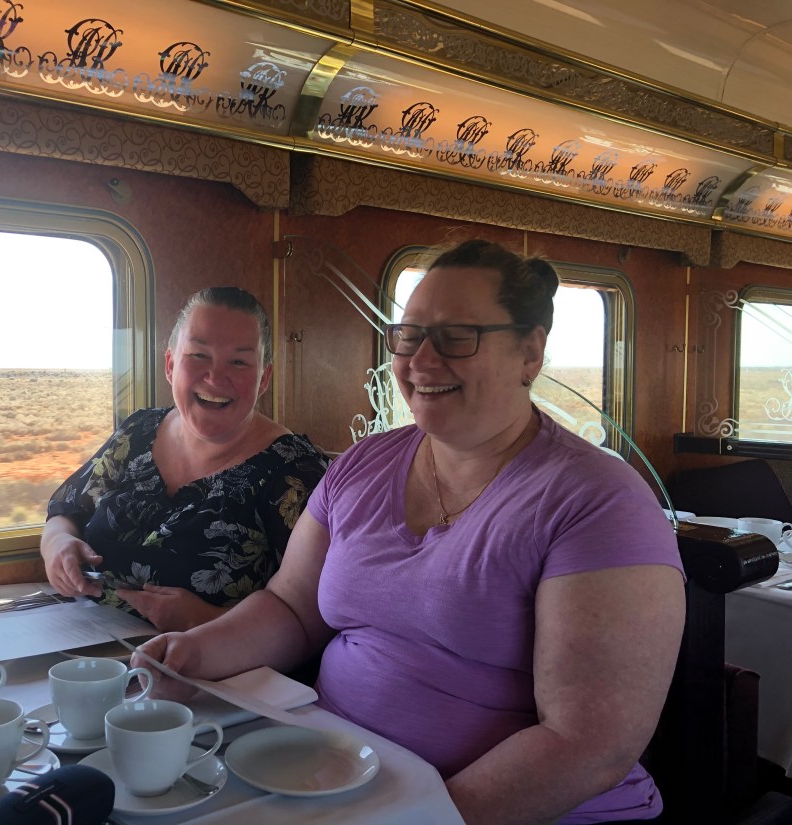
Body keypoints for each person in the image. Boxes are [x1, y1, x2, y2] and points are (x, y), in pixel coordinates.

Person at [135, 240, 686, 824]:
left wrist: (415, 815)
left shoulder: (600, 502)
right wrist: (196, 653)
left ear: (530, 351)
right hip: (331, 775)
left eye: (456, 337)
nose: (421, 360)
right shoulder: (362, 465)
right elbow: (291, 607)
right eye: (409, 335)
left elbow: (587, 746)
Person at [41, 286, 329, 633]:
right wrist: (57, 545)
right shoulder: (138, 431)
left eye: (238, 361)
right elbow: (66, 510)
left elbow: (316, 617)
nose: (215, 377)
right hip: (79, 639)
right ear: (170, 364)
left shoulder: (296, 473)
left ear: (263, 379)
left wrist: (206, 621)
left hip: (206, 662)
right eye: (198, 355)